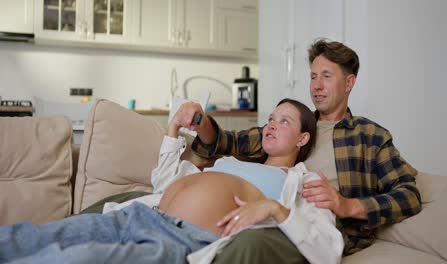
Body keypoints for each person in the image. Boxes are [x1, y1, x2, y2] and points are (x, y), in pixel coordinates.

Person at [0, 99, 344, 264]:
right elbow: (164, 181)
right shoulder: (230, 162)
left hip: (185, 240)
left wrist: (272, 208)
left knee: (75, 259)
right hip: (137, 215)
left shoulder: (303, 182)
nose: (270, 125)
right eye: (270, 119)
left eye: (283, 122)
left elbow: (328, 249)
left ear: (302, 139)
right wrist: (172, 130)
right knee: (30, 236)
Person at [179, 38, 422, 262]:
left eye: (326, 76)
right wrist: (201, 121)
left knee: (247, 242)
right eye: (313, 76)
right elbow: (224, 142)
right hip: (268, 217)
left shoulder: (370, 137)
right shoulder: (292, 125)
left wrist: (346, 206)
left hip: (316, 231)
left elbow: (409, 195)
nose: (316, 85)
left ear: (349, 82)